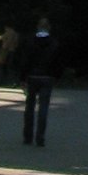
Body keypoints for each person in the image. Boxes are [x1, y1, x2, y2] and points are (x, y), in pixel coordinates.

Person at [17, 16, 64, 147]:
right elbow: (58, 63)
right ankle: (40, 137)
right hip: (47, 77)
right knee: (43, 108)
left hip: (32, 77)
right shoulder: (54, 43)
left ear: (38, 27)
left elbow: (25, 61)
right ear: (49, 28)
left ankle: (27, 136)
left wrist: (22, 77)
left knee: (29, 107)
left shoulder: (30, 41)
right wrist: (57, 77)